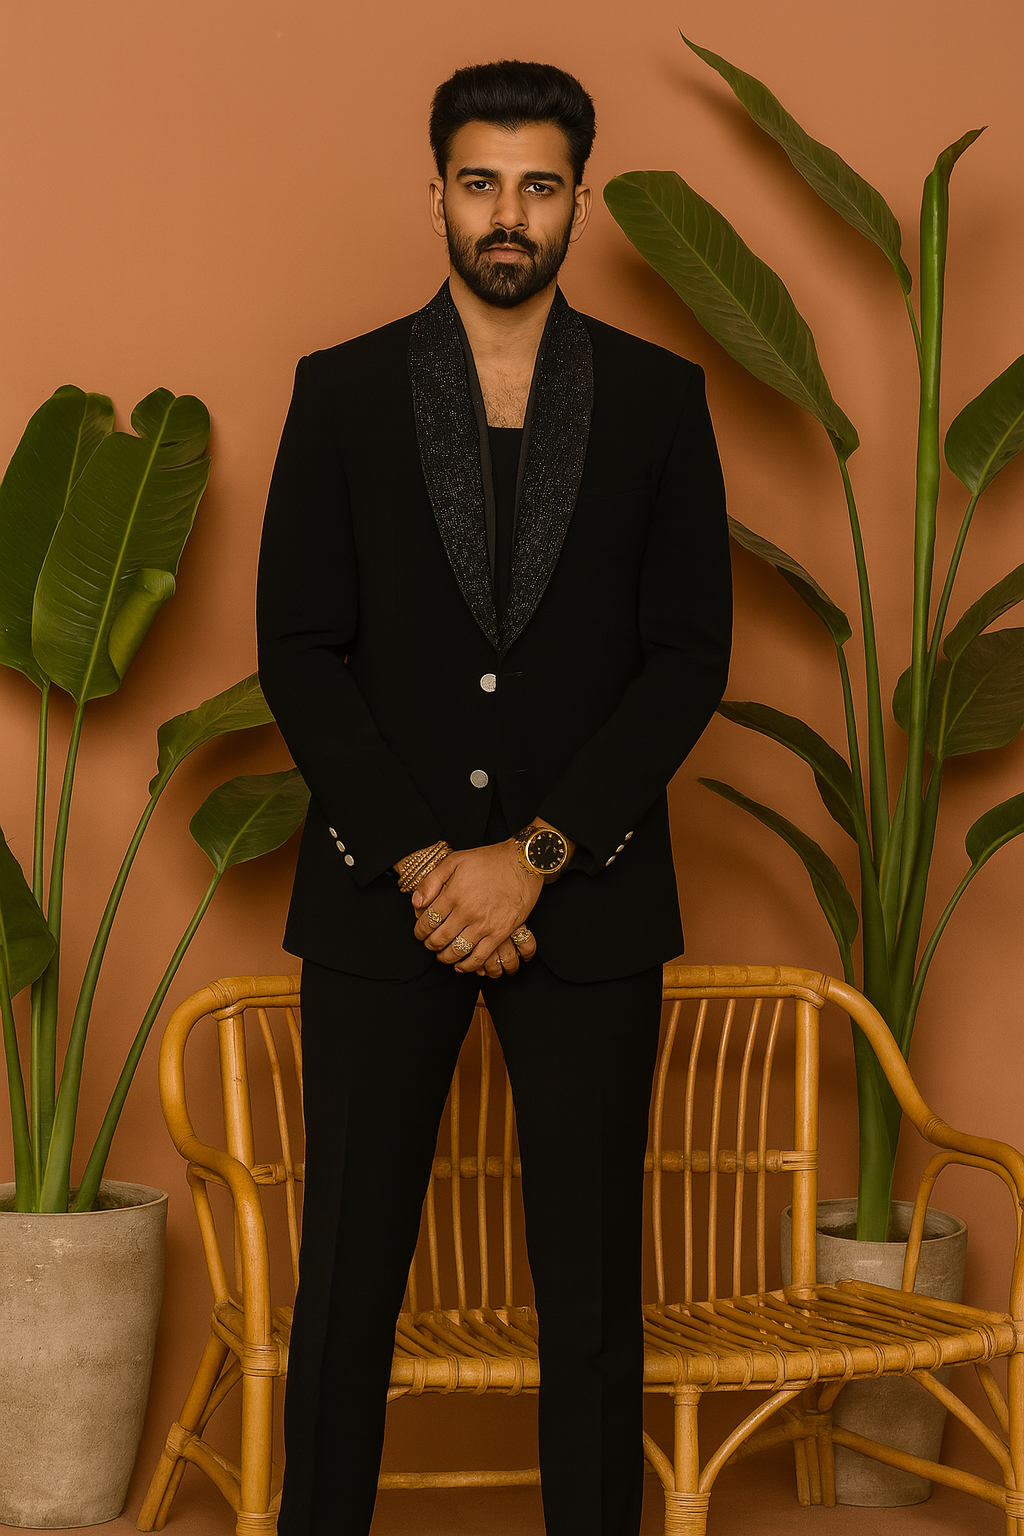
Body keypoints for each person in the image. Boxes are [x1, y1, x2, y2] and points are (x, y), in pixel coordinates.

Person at [256, 58, 731, 1536]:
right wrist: (420, 858)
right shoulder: (338, 394)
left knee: (592, 1287)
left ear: (579, 197)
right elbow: (297, 647)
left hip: (583, 903)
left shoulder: (659, 403)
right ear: (439, 190)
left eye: (537, 185)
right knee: (344, 1285)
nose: (506, 215)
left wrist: (533, 853)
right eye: (480, 182)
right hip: (376, 896)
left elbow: (684, 658)